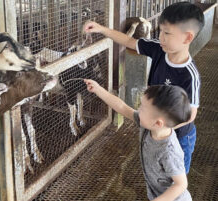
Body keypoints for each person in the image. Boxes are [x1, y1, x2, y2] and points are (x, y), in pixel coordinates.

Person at [84, 2, 204, 174]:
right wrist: (102, 29)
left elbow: (191, 115)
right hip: (155, 128)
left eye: (167, 33)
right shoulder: (158, 49)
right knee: (156, 172)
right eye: (161, 30)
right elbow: (128, 41)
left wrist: (160, 126)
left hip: (178, 136)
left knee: (175, 178)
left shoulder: (189, 75)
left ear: (187, 38)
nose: (161, 37)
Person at [85, 79, 192, 201]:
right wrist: (98, 89)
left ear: (157, 123)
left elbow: (181, 184)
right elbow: (122, 107)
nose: (138, 109)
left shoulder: (169, 151)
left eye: (143, 108)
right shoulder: (148, 125)